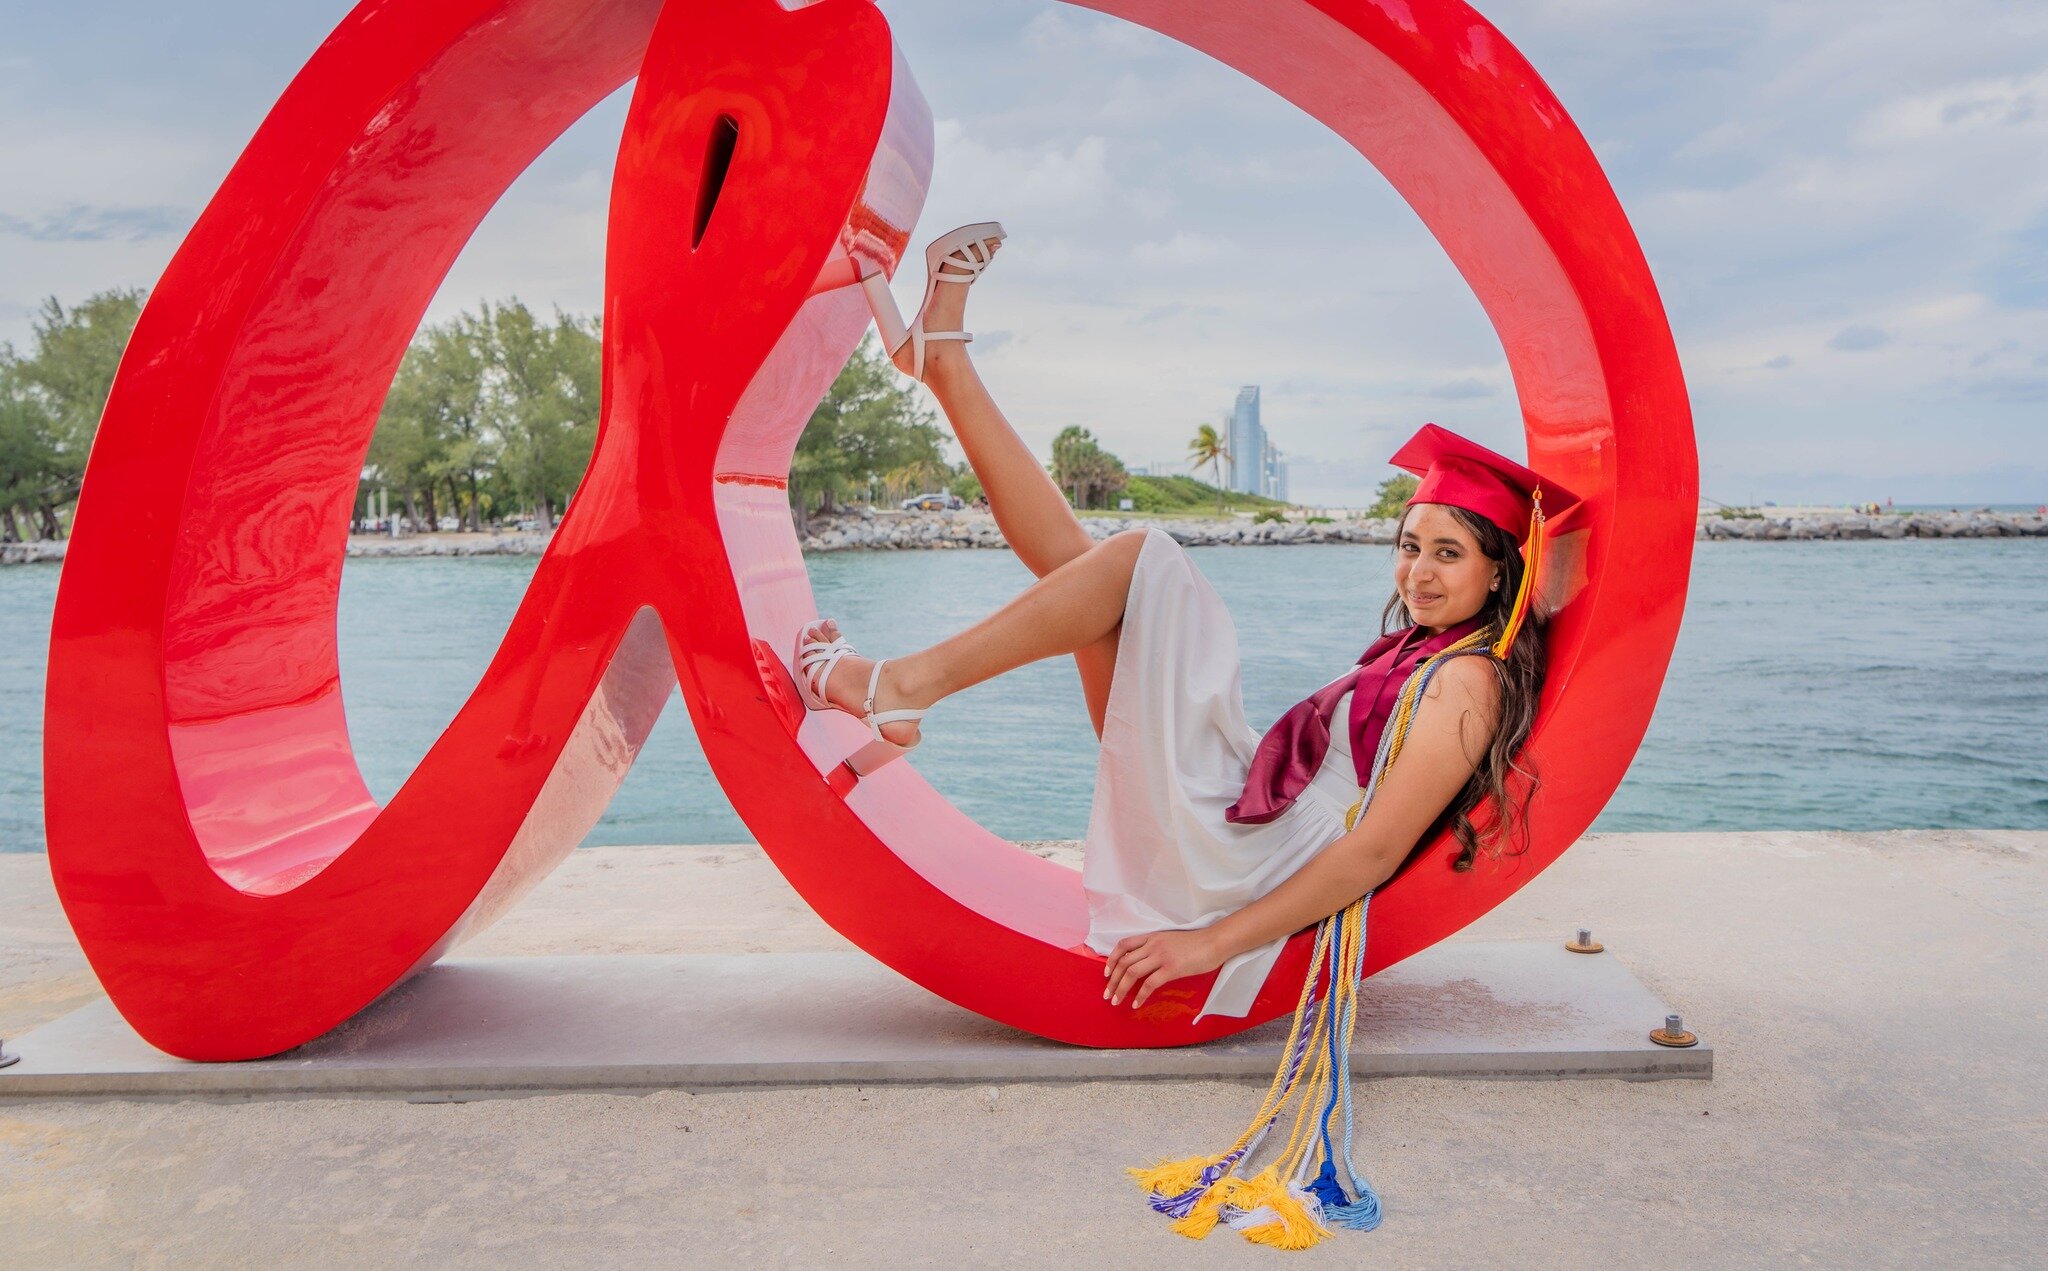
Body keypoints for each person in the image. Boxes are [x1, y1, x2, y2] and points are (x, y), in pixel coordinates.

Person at [793, 224, 1576, 1019]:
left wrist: (1208, 943)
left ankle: (905, 682)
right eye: (1411, 546)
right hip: (1242, 810)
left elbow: (1372, 852)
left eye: (1449, 554)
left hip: (1243, 864)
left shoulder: (1468, 681)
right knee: (1094, 573)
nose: (1419, 572)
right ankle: (946, 365)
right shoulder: (1431, 650)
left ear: (1498, 571)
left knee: (1143, 559)